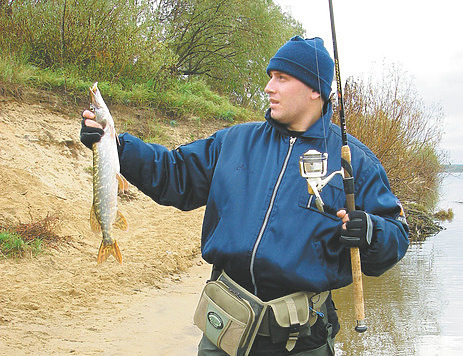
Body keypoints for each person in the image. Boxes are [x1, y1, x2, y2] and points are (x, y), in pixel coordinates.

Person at [80, 36, 409, 355]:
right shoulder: (235, 142)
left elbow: (395, 232)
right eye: (270, 77)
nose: (269, 87)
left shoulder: (354, 160)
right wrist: (116, 147)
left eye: (282, 78)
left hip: (303, 340)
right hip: (225, 331)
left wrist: (371, 231)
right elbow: (173, 174)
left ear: (315, 90)